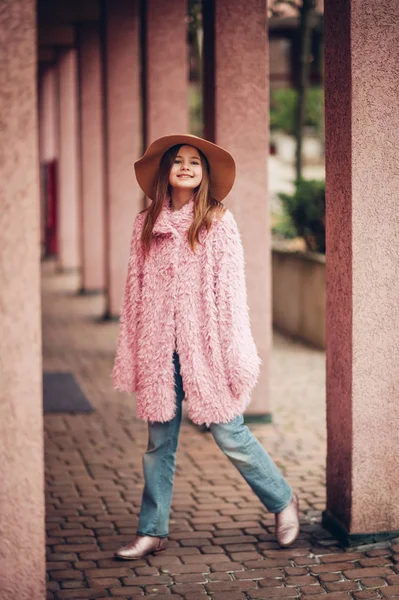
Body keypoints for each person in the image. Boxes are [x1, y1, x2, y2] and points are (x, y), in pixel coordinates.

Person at [112, 134, 299, 560]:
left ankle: (283, 500)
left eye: (194, 161)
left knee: (229, 432)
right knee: (159, 442)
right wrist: (134, 352)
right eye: (177, 160)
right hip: (159, 350)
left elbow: (231, 294)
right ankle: (151, 529)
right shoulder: (145, 225)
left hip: (206, 349)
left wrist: (236, 353)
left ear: (204, 174)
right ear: (165, 172)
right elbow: (133, 293)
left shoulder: (217, 222)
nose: (185, 166)